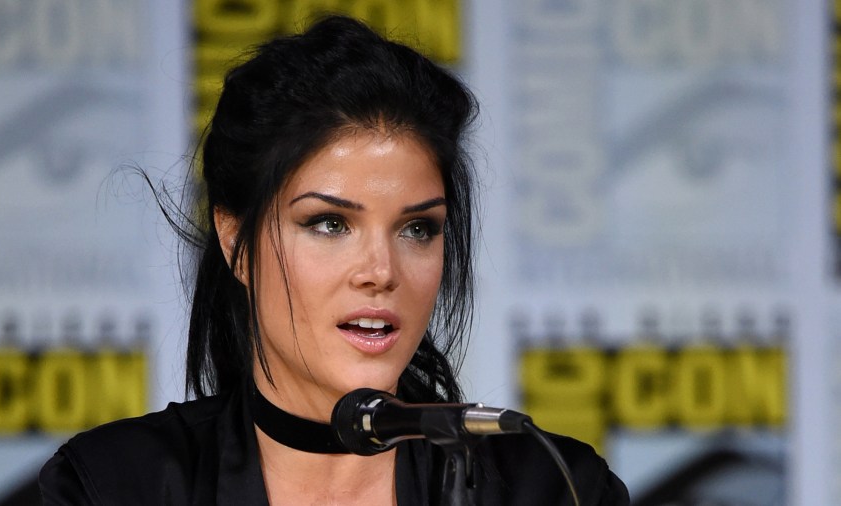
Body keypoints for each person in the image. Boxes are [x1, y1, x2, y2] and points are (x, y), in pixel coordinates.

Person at [38, 15, 629, 505]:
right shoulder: (113, 486)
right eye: (330, 224)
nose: (381, 270)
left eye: (417, 228)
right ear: (232, 239)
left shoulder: (550, 487)